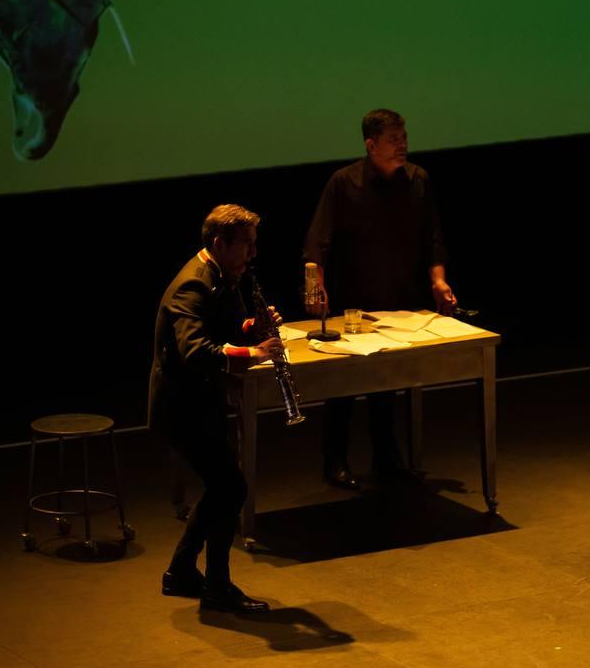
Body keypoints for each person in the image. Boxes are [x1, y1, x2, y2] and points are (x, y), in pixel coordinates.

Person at [303, 109, 456, 489]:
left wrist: (438, 281)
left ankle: (387, 459)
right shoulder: (344, 183)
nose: (402, 145)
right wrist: (315, 287)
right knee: (341, 387)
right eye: (394, 139)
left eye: (404, 137)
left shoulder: (418, 180)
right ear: (371, 145)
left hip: (401, 300)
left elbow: (433, 238)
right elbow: (318, 243)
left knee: (388, 383)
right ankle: (334, 461)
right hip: (352, 302)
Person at [150, 204, 281, 612]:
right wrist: (253, 352)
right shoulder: (194, 285)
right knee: (231, 487)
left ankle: (183, 571)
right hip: (182, 407)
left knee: (224, 487)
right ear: (220, 244)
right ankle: (217, 586)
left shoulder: (223, 275)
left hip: (200, 403)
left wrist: (250, 328)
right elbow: (195, 351)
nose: (253, 254)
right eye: (247, 245)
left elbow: (220, 327)